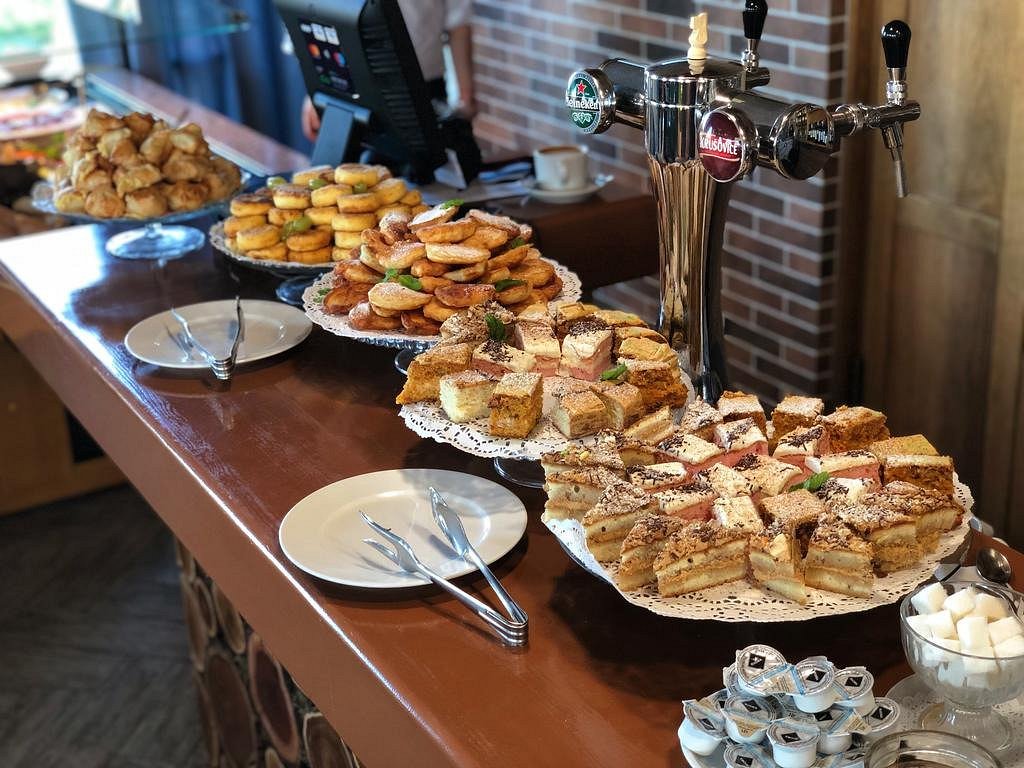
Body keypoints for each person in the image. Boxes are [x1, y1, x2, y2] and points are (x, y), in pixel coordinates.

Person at [300, 0, 476, 142]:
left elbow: (458, 24)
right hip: (348, 88)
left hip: (424, 90)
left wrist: (464, 95)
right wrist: (316, 91)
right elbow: (315, 17)